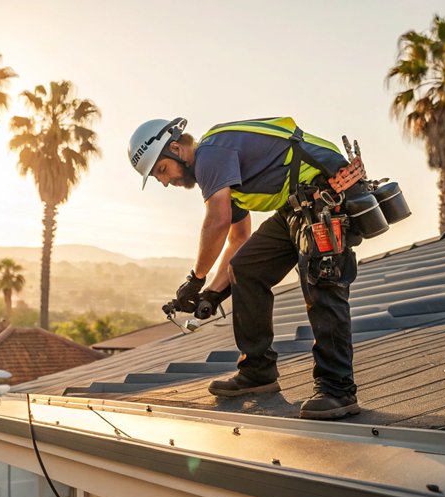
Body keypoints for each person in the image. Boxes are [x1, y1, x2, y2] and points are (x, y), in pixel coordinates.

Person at [128, 117, 362, 419]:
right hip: (296, 207)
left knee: (321, 283)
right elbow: (238, 238)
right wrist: (212, 293)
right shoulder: (222, 172)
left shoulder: (209, 154)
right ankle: (257, 372)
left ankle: (338, 390)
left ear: (175, 149)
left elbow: (218, 222)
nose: (164, 182)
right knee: (245, 269)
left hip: (325, 197)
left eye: (162, 170)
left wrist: (196, 279)